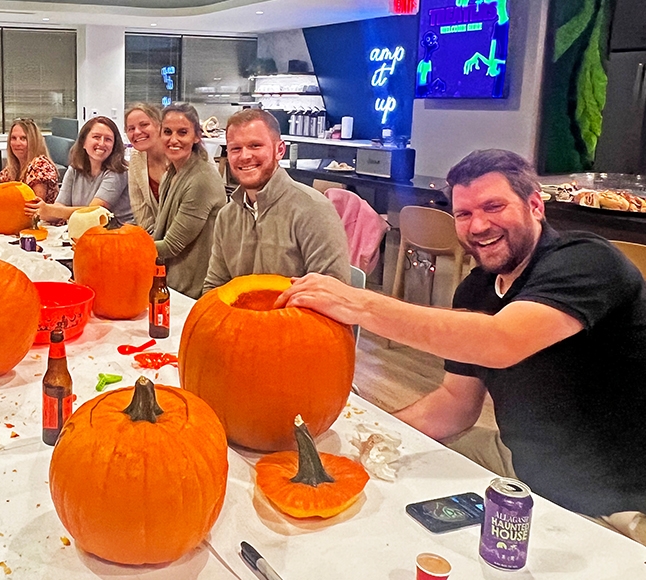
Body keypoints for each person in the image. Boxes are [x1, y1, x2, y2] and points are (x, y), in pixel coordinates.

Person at [276, 149, 646, 545]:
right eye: (465, 214)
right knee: (381, 505)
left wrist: (359, 304)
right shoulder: (477, 289)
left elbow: (501, 341)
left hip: (614, 500)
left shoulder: (587, 261)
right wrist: (366, 440)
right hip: (522, 467)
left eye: (494, 206)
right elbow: (455, 405)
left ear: (535, 205)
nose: (479, 226)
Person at [204, 109, 350, 293]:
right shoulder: (226, 216)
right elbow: (214, 287)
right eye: (236, 148)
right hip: (240, 321)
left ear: (280, 150)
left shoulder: (315, 210)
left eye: (255, 145)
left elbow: (332, 295)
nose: (245, 156)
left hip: (295, 320)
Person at [152, 103, 225, 299]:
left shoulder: (201, 179)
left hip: (193, 290)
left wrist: (126, 246)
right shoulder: (172, 173)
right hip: (172, 282)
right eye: (167, 132)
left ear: (196, 136)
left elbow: (171, 245)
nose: (173, 139)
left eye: (182, 132)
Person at [27, 116, 132, 224]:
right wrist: (41, 211)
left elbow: (94, 212)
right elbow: (60, 206)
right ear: (83, 142)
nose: (101, 143)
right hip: (82, 232)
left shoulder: (119, 172)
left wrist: (51, 210)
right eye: (96, 137)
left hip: (117, 234)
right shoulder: (74, 170)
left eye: (108, 139)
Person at [124, 103, 168, 234]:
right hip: (157, 241)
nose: (137, 132)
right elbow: (141, 213)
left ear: (159, 126)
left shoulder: (178, 154)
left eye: (144, 125)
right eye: (131, 128)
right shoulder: (136, 158)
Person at [0, 118, 60, 203]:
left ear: (33, 141)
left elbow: (35, 207)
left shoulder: (40, 166)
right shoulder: (11, 170)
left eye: (23, 138)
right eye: (13, 138)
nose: (17, 143)